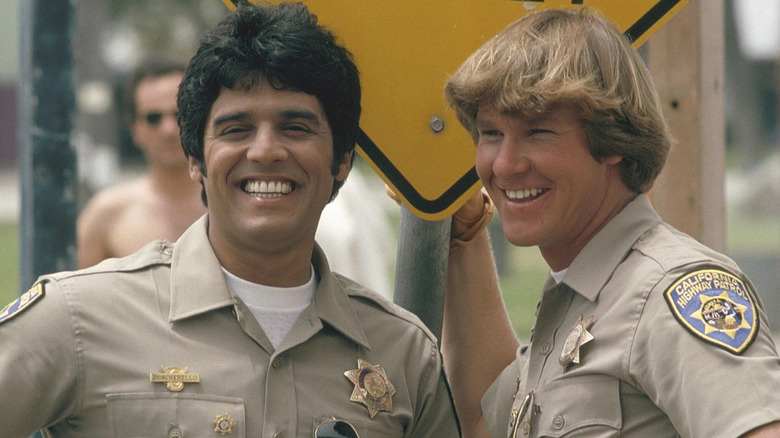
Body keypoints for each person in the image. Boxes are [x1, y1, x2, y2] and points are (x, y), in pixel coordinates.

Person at [0, 2, 459, 437]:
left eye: (295, 127)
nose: (265, 151)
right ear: (196, 159)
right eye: (236, 129)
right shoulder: (79, 320)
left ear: (341, 161)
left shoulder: (403, 354)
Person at [440, 8, 780, 438]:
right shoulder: (582, 295)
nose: (505, 165)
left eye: (538, 132)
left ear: (612, 140)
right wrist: (465, 234)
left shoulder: (669, 291)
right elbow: (484, 421)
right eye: (490, 134)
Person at [76, 57, 206, 268]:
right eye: (153, 118)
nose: (169, 129)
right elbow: (73, 297)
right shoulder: (105, 214)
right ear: (135, 129)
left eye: (179, 115)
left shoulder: (230, 206)